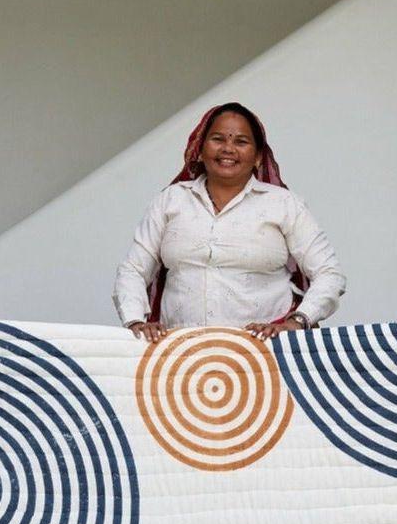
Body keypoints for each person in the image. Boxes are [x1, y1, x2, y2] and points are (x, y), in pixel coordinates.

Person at [114, 102, 345, 343]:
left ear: (258, 157)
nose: (228, 149)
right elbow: (133, 270)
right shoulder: (171, 200)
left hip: (265, 349)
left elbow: (329, 273)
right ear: (199, 150)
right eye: (218, 139)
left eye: (241, 142)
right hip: (182, 350)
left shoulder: (284, 204)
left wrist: (296, 322)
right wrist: (136, 322)